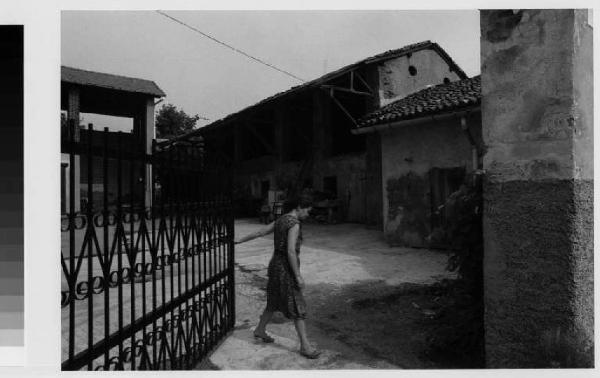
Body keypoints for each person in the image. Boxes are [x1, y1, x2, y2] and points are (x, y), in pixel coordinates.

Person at [234, 196, 320, 359]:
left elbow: (260, 232)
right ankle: (305, 346)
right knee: (297, 304)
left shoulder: (281, 220)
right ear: (300, 207)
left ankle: (260, 330)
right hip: (285, 268)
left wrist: (240, 240)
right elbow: (290, 251)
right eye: (307, 211)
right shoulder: (294, 223)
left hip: (275, 265)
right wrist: (298, 275)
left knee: (273, 300)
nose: (308, 215)